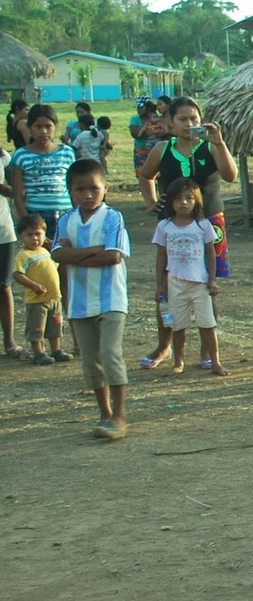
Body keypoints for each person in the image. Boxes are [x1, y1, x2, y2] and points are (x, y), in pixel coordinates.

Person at [138, 96, 238, 371]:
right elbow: (146, 175)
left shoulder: (211, 147)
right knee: (168, 282)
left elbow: (231, 175)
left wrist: (219, 142)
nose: (189, 124)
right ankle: (164, 346)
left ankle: (208, 350)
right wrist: (151, 201)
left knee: (208, 286)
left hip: (209, 222)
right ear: (170, 122)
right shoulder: (162, 150)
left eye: (194, 119)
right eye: (182, 119)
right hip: (173, 224)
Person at [53, 159, 130, 438]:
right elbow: (57, 254)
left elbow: (113, 256)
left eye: (94, 189)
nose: (88, 195)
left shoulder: (112, 217)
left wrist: (74, 256)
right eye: (80, 189)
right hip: (79, 300)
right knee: (91, 361)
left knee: (110, 354)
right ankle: (104, 413)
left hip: (111, 298)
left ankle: (120, 415)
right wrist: (94, 250)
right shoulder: (66, 220)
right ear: (70, 191)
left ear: (105, 187)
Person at [152, 177, 224, 376]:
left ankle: (215, 361)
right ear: (170, 202)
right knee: (178, 327)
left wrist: (212, 279)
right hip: (175, 283)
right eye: (177, 198)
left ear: (196, 200)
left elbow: (211, 252)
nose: (183, 202)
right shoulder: (164, 227)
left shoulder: (203, 226)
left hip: (200, 283)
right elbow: (161, 256)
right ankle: (178, 362)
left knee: (207, 325)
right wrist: (160, 285)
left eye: (188, 198)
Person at [10, 104, 76, 239]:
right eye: (38, 127)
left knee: (64, 250)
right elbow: (18, 195)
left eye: (48, 126)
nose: (44, 131)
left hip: (65, 213)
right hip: (36, 216)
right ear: (29, 127)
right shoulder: (21, 156)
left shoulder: (67, 152)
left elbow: (74, 187)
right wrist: (28, 223)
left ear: (55, 126)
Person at [13, 214, 64, 364]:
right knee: (37, 327)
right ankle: (38, 353)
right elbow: (17, 274)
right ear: (21, 237)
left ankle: (56, 350)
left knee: (55, 325)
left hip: (53, 297)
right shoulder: (24, 255)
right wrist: (33, 286)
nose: (34, 238)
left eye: (38, 234)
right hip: (37, 300)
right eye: (29, 235)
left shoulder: (45, 251)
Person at [129, 98, 164, 212]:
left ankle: (162, 200)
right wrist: (146, 126)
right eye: (138, 108)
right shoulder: (135, 119)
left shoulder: (157, 118)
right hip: (141, 150)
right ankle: (150, 201)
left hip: (156, 149)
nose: (139, 110)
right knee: (143, 175)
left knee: (160, 176)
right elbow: (135, 134)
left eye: (141, 107)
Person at [0, 137, 17, 357]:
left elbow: (15, 189)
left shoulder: (4, 157)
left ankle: (9, 339)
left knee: (4, 285)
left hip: (3, 230)